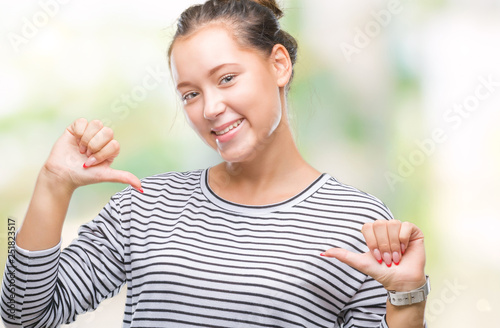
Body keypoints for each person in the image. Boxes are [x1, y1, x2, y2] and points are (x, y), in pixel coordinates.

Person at [1, 0, 428, 327]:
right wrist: (53, 182)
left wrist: (409, 294)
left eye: (227, 78)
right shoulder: (145, 205)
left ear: (279, 64)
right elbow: (24, 316)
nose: (210, 108)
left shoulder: (359, 223)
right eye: (190, 93)